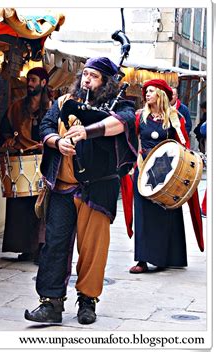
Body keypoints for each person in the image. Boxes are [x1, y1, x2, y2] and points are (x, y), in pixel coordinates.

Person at [24, 57, 138, 325]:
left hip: (97, 188)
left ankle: (88, 301)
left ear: (107, 83)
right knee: (54, 245)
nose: (87, 79)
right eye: (85, 74)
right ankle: (50, 303)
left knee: (93, 249)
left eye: (94, 76)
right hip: (64, 187)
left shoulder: (118, 106)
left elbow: (123, 123)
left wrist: (87, 131)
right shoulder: (64, 102)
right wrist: (57, 142)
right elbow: (46, 127)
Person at [128, 79, 203, 274]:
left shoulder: (174, 118)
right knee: (143, 215)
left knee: (165, 214)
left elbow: (183, 145)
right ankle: (142, 260)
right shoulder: (139, 117)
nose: (147, 94)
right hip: (144, 170)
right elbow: (129, 142)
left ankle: (163, 258)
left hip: (167, 172)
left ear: (161, 94)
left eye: (151, 91)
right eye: (146, 91)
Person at [0, 67, 50, 263]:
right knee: (21, 207)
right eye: (29, 79)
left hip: (44, 161)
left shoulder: (52, 108)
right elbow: (5, 129)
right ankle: (24, 248)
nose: (29, 83)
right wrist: (9, 139)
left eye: (34, 80)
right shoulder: (17, 107)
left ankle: (40, 248)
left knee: (41, 206)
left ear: (43, 83)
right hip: (22, 161)